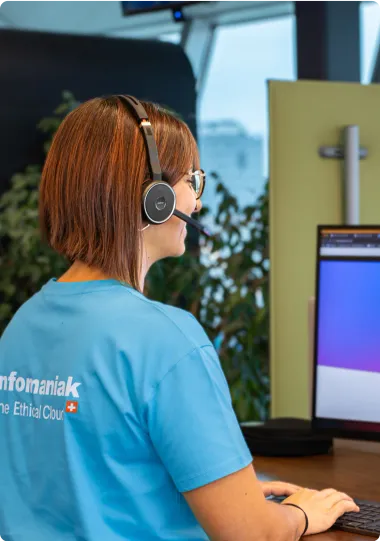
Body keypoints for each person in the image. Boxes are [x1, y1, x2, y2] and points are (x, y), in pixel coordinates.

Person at [0, 95, 359, 541]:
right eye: (193, 181)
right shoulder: (165, 340)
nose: (199, 203)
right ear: (155, 197)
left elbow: (93, 481)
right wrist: (300, 514)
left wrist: (229, 493)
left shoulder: (22, 324)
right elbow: (252, 534)